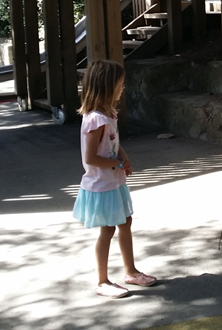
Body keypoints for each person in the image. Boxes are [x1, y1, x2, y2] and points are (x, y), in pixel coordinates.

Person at [72, 59, 156, 299]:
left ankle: (130, 271)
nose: (123, 88)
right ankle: (102, 281)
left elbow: (112, 144)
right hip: (101, 185)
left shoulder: (109, 115)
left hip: (114, 181)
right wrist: (117, 164)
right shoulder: (96, 119)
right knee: (107, 231)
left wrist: (123, 157)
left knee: (125, 223)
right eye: (120, 84)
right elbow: (91, 158)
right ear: (107, 86)